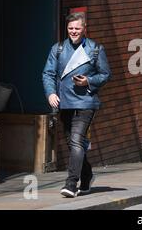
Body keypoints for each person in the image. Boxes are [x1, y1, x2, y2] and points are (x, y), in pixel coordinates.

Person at [42, 12, 111, 198]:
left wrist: (88, 80)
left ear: (84, 29)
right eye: (70, 28)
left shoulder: (96, 49)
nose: (73, 31)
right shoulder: (57, 49)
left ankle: (71, 184)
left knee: (75, 141)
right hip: (64, 102)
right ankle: (87, 176)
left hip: (86, 102)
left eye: (77, 28)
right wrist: (50, 93)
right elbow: (48, 74)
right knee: (73, 143)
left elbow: (105, 75)